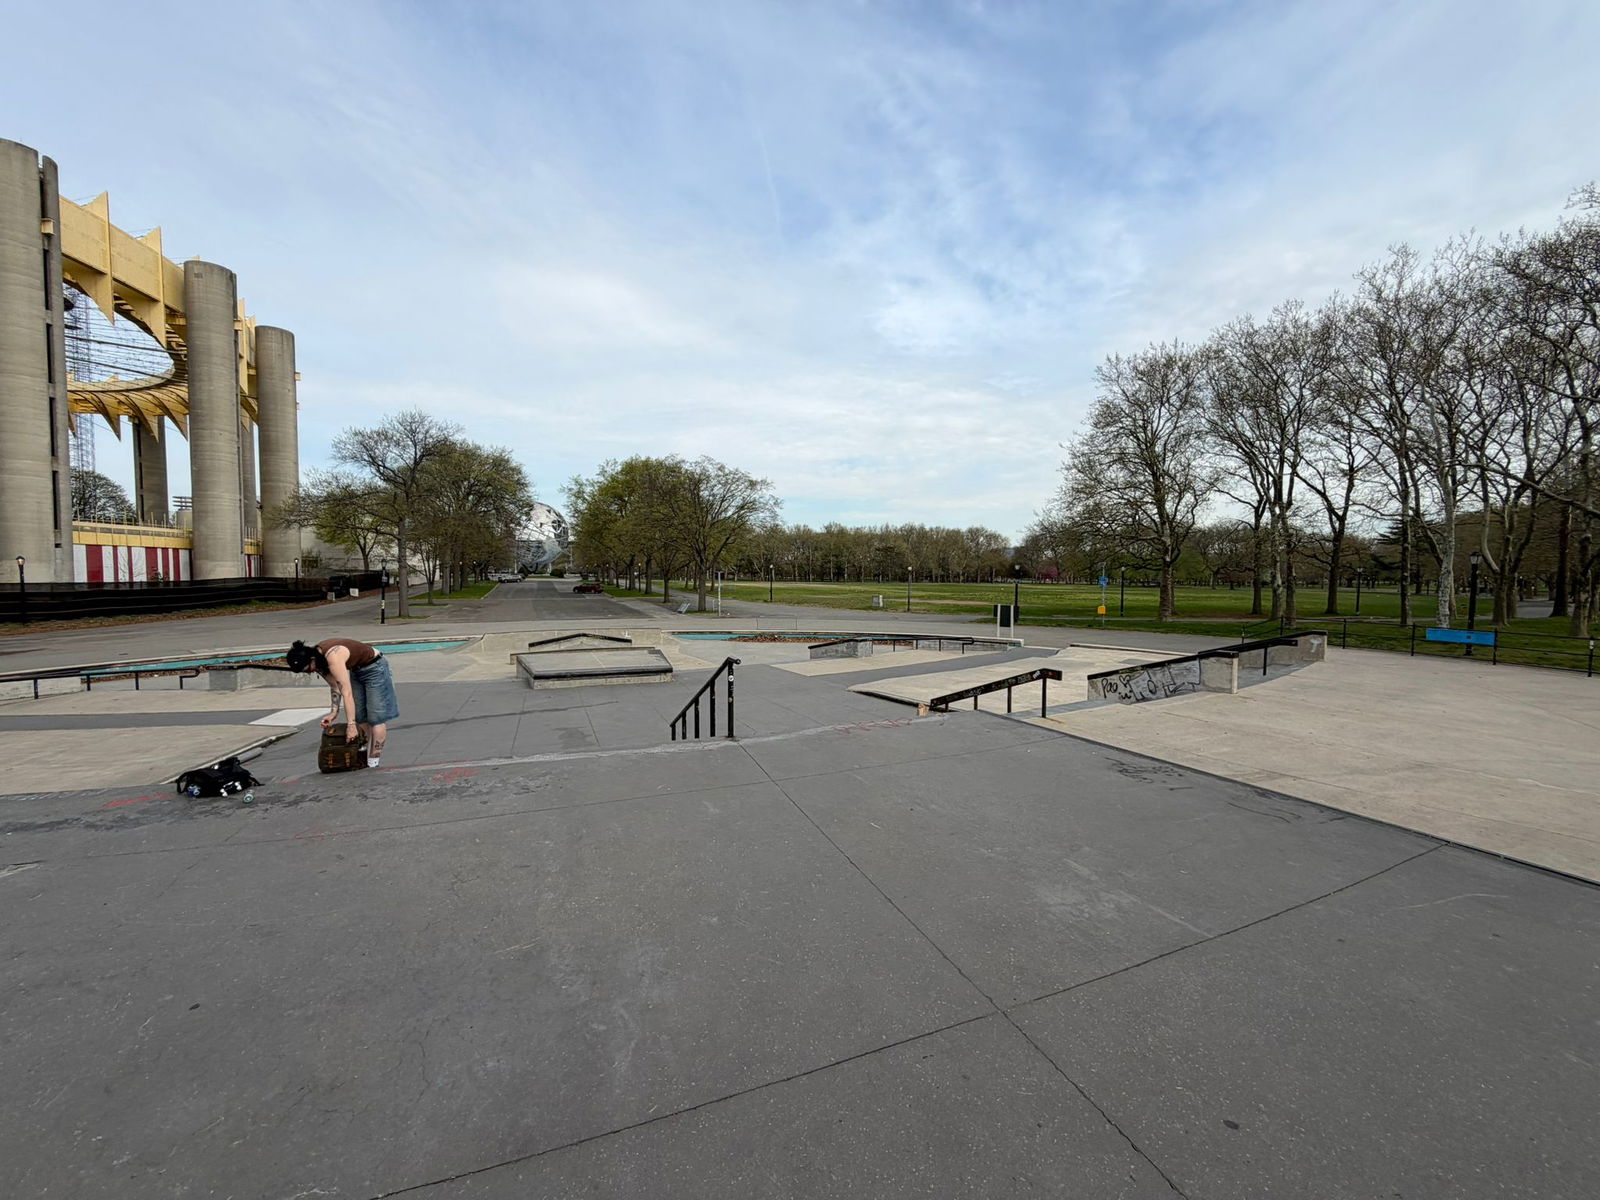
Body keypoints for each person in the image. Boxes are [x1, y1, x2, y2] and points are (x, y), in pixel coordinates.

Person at [285, 637, 399, 767]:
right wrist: (333, 712)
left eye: (307, 669)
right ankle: (362, 757)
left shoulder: (333, 657)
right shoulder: (318, 660)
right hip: (357, 670)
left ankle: (374, 761)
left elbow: (347, 693)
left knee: (376, 718)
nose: (309, 673)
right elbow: (335, 687)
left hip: (375, 668)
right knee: (360, 717)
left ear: (312, 659)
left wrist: (351, 725)